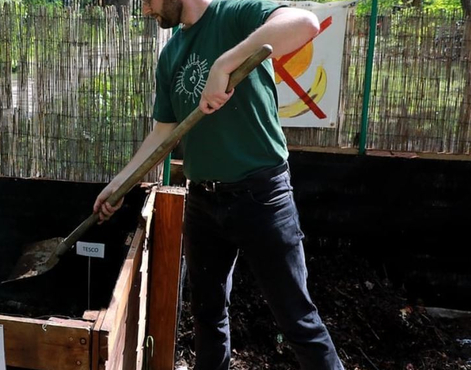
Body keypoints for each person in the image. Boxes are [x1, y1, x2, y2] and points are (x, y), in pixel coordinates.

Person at [93, 0, 344, 369]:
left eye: (146, 0)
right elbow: (163, 132)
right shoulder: (171, 54)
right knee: (207, 317)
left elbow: (305, 23)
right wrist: (121, 182)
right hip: (203, 203)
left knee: (297, 320)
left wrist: (225, 64)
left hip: (262, 196)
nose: (145, 11)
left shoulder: (236, 15)